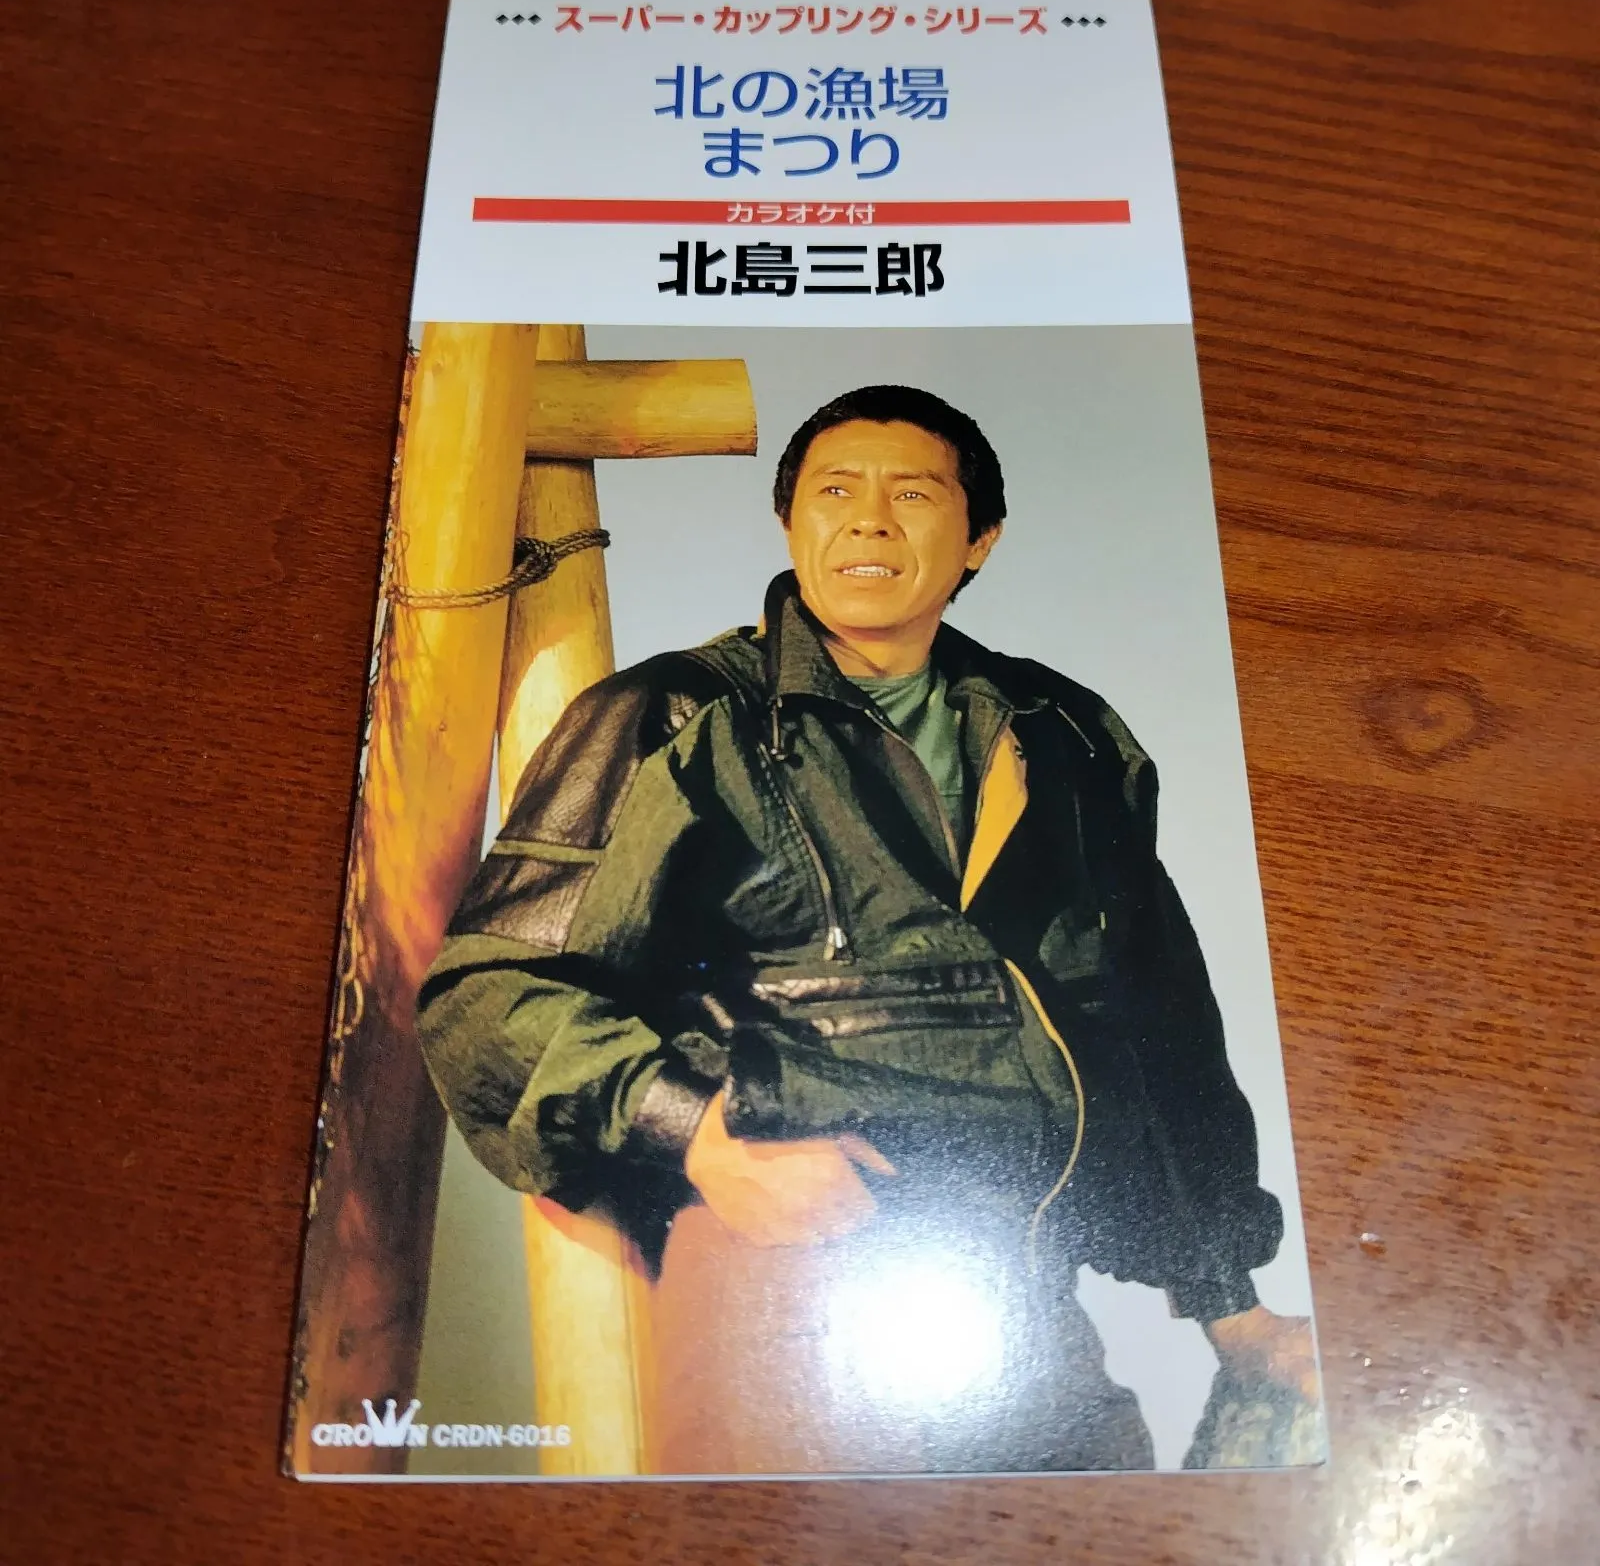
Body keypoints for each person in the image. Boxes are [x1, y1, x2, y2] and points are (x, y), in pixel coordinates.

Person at [416, 384, 1316, 1472]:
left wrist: (1231, 1307)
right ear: (790, 523)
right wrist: (699, 1135)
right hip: (778, 1290)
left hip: (1017, 1305)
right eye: (835, 492)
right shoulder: (677, 719)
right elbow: (489, 996)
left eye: (913, 495)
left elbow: (1157, 1025)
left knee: (1094, 1530)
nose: (870, 522)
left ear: (980, 539)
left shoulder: (1064, 735)